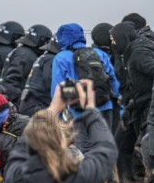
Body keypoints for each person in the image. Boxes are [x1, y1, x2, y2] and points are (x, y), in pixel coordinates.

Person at [110, 21, 154, 183]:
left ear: (123, 38)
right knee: (121, 143)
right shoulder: (127, 54)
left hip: (150, 105)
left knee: (145, 145)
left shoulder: (139, 52)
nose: (112, 44)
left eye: (114, 40)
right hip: (135, 106)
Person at [51, 23, 120, 152]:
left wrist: (58, 117)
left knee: (86, 151)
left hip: (80, 111)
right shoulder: (99, 53)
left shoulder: (60, 58)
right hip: (105, 107)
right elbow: (114, 82)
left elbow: (57, 90)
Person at [0, 24, 52, 107]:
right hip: (14, 102)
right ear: (41, 40)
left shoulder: (21, 51)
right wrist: (22, 101)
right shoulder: (26, 55)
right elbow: (9, 82)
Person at [18, 38, 61, 117]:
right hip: (37, 106)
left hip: (29, 103)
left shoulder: (43, 57)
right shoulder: (51, 59)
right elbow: (48, 80)